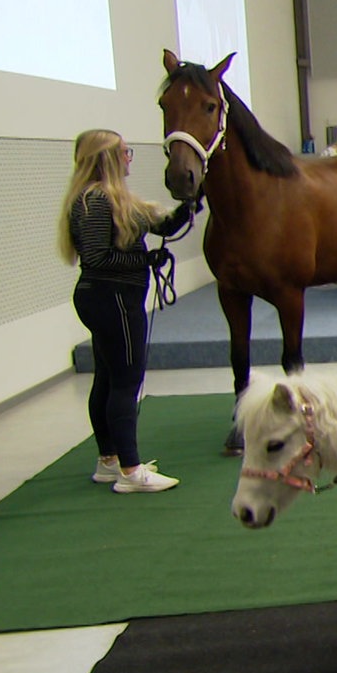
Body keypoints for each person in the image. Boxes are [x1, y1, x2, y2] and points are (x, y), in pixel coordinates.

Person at [59, 130, 194, 492]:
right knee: (126, 381)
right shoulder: (97, 202)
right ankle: (131, 471)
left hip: (106, 297)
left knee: (107, 377)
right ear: (106, 158)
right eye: (124, 151)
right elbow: (98, 257)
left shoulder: (114, 200)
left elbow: (162, 224)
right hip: (112, 297)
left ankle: (109, 459)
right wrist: (143, 258)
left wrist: (191, 204)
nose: (129, 157)